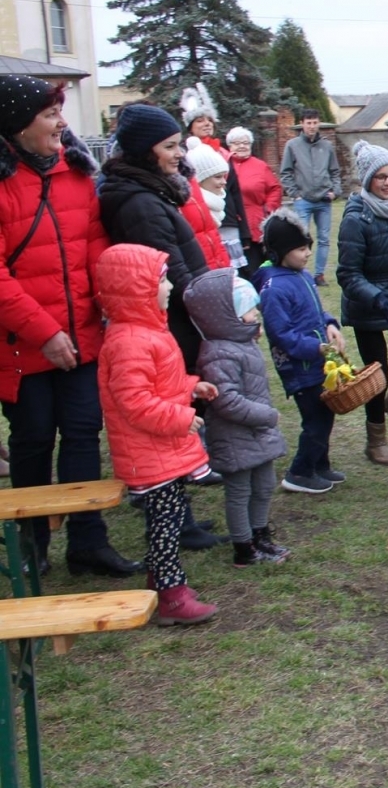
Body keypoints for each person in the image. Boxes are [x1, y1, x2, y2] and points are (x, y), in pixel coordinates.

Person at [0, 75, 141, 579]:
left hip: (82, 334)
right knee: (34, 439)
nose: (62, 122)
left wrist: (109, 302)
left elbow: (94, 246)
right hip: (22, 345)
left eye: (60, 112)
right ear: (17, 125)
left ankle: (87, 540)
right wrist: (43, 331)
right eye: (49, 114)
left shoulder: (77, 175)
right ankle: (32, 543)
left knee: (83, 434)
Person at [99, 104, 224, 547]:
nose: (179, 154)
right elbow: (166, 271)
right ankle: (177, 520)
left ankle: (183, 515)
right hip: (167, 323)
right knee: (169, 420)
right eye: (170, 146)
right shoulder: (140, 203)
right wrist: (207, 309)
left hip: (172, 320)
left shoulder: (150, 192)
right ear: (144, 150)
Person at [95, 242, 219, 625]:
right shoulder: (130, 340)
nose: (168, 287)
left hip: (161, 450)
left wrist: (190, 387)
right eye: (161, 280)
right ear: (136, 288)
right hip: (150, 452)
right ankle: (171, 596)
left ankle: (162, 581)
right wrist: (181, 417)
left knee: (170, 516)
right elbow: (135, 402)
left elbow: (160, 383)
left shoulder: (147, 330)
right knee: (165, 527)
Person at [183, 268, 290, 567]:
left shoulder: (242, 342)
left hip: (256, 433)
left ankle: (260, 535)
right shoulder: (218, 353)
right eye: (249, 309)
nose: (256, 313)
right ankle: (244, 547)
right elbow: (226, 400)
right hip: (236, 435)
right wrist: (265, 415)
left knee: (265, 484)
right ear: (227, 316)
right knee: (240, 491)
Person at [337, 141, 388, 465]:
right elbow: (348, 274)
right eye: (380, 177)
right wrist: (378, 298)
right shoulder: (357, 218)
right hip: (367, 303)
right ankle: (376, 439)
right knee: (376, 372)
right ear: (367, 180)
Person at [257, 209, 345, 495]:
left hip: (318, 362)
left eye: (308, 246)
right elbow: (281, 334)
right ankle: (299, 472)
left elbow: (315, 311)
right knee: (315, 421)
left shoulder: (301, 275)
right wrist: (316, 348)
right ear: (280, 251)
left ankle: (320, 464)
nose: (308, 253)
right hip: (300, 368)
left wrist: (330, 324)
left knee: (325, 415)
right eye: (300, 248)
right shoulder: (274, 289)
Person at [277, 108, 341, 285]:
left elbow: (335, 171)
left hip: (323, 200)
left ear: (318, 123)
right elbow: (286, 172)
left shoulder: (327, 146)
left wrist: (335, 191)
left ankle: (319, 275)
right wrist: (294, 194)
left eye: (314, 123)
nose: (312, 126)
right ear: (302, 124)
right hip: (303, 200)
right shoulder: (293, 145)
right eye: (308, 123)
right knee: (299, 238)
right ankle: (299, 272)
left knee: (324, 239)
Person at [224, 126, 281, 274]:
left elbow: (275, 188)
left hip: (256, 221)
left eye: (246, 143)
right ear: (229, 146)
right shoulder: (223, 166)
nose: (242, 146)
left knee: (257, 264)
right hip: (232, 222)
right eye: (237, 143)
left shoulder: (260, 166)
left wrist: (268, 207)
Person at [181, 140, 235, 271]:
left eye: (224, 177)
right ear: (200, 179)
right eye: (217, 177)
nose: (223, 182)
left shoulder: (213, 208)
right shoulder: (190, 208)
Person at [179, 83, 225, 157]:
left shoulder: (224, 153)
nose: (207, 123)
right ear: (190, 128)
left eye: (210, 120)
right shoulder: (183, 153)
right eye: (200, 121)